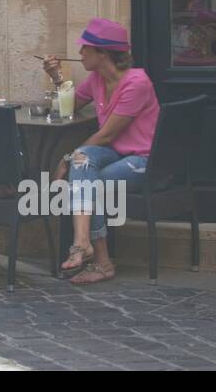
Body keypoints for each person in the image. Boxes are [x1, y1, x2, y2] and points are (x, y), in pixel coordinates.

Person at [42, 17, 161, 286]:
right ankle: (84, 244)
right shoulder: (96, 79)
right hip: (115, 152)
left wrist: (65, 158)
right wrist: (56, 76)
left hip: (143, 159)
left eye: (85, 48)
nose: (80, 53)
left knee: (86, 177)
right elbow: (69, 106)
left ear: (103, 52)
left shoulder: (137, 82)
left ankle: (99, 259)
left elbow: (106, 134)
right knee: (83, 165)